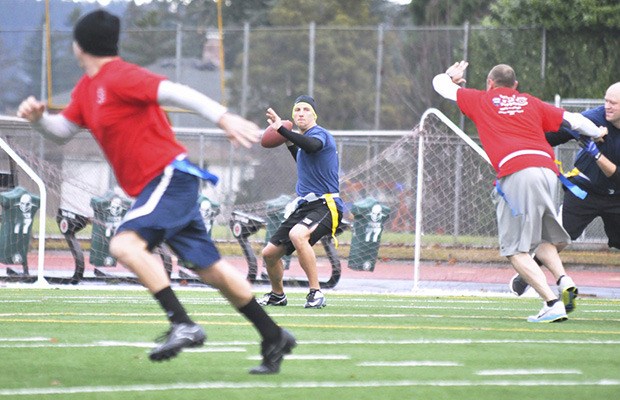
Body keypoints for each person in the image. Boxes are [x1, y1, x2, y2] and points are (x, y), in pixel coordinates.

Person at [16, 9, 295, 374]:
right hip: (160, 185)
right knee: (211, 271)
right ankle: (273, 334)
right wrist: (38, 121)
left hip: (168, 177)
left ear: (78, 46)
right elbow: (62, 131)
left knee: (123, 244)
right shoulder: (87, 89)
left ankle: (182, 322)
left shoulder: (121, 76)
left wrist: (223, 116)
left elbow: (176, 91)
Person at [432, 61, 606, 322]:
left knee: (515, 250)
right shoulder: (531, 102)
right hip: (548, 170)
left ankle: (551, 302)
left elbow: (440, 86)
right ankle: (564, 280)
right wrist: (598, 131)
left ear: (490, 83)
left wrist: (450, 76)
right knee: (542, 238)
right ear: (515, 86)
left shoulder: (481, 99)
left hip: (518, 172)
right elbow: (575, 120)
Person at [509, 82, 620, 297]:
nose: (607, 106)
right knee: (557, 240)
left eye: (613, 103)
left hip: (618, 196)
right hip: (584, 191)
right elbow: (557, 133)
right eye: (605, 100)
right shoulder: (595, 118)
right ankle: (527, 274)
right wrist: (524, 143)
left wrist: (596, 153)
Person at [258, 95, 343, 309]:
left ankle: (316, 293)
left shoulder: (320, 134)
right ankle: (278, 295)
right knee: (269, 254)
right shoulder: (300, 139)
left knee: (297, 234)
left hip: (326, 205)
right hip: (305, 206)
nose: (301, 113)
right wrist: (287, 140)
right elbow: (304, 156)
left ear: (314, 114)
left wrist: (284, 131)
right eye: (297, 110)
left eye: (306, 109)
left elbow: (312, 146)